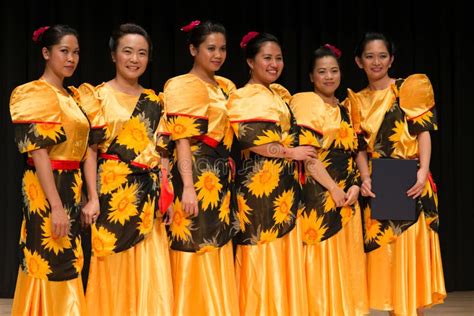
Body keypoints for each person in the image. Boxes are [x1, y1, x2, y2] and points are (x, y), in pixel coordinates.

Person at [347, 31, 446, 315]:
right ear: (358, 61)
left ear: (391, 59)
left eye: (382, 56)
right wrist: (365, 177)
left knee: (408, 264)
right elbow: (360, 148)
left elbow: (423, 133)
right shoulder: (355, 101)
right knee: (387, 264)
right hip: (380, 181)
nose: (376, 62)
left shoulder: (407, 88)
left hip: (408, 177)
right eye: (369, 56)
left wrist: (422, 171)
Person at [79, 23, 173, 315]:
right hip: (112, 193)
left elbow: (163, 154)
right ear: (113, 55)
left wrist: (167, 195)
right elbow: (90, 151)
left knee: (150, 266)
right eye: (128, 52)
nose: (135, 59)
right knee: (113, 264)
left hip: (148, 196)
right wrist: (92, 197)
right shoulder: (98, 96)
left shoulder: (155, 101)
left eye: (142, 53)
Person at [9, 24, 101, 315]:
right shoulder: (34, 93)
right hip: (45, 181)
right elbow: (38, 152)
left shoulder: (74, 96)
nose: (71, 58)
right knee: (46, 250)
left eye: (75, 52)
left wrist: (88, 193)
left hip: (71, 181)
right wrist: (56, 206)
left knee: (69, 255)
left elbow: (87, 147)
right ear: (46, 53)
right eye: (64, 51)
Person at [227, 31, 314, 315]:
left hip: (283, 187)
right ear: (251, 61)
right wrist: (292, 153)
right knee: (261, 249)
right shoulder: (245, 95)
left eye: (278, 58)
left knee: (282, 252)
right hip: (259, 187)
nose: (274, 63)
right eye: (267, 58)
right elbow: (253, 139)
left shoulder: (276, 94)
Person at [163, 20, 238, 315]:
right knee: (192, 239)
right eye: (210, 48)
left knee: (215, 240)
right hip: (194, 169)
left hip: (219, 174)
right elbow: (181, 139)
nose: (217, 55)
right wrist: (188, 187)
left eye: (221, 49)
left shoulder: (226, 86)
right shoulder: (183, 84)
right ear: (193, 49)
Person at [289, 44, 369, 315]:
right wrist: (333, 189)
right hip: (319, 192)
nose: (329, 77)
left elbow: (357, 151)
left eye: (334, 71)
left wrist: (357, 184)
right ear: (311, 76)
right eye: (322, 72)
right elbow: (308, 156)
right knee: (322, 257)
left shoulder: (347, 107)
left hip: (348, 193)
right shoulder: (305, 103)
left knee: (347, 259)